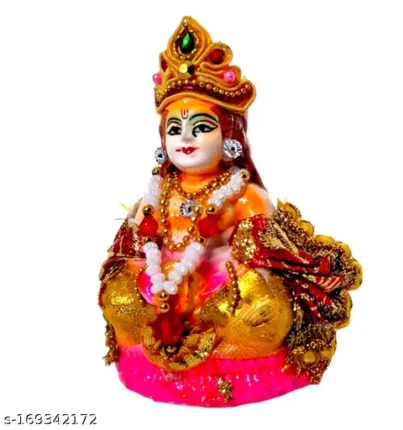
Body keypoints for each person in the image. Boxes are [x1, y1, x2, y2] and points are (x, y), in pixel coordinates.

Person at [98, 16, 362, 407]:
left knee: (262, 310)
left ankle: (230, 366)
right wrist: (150, 276)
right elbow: (135, 245)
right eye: (174, 129)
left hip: (219, 289)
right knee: (118, 297)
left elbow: (266, 258)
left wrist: (223, 272)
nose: (185, 138)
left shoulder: (244, 195)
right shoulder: (156, 192)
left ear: (230, 136)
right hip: (161, 286)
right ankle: (158, 357)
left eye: (201, 126)